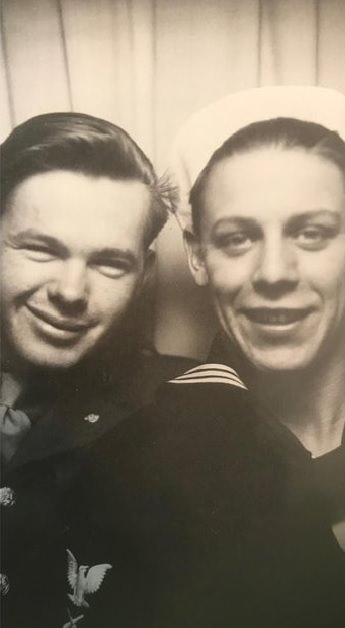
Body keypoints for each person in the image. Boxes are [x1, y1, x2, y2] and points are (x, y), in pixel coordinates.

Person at [66, 88, 345, 628]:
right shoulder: (123, 464)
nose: (274, 272)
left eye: (312, 233)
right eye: (238, 237)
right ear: (198, 257)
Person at [0, 112, 194, 627]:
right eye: (40, 249)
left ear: (143, 274)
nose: (70, 291)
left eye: (109, 263)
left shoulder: (190, 414)